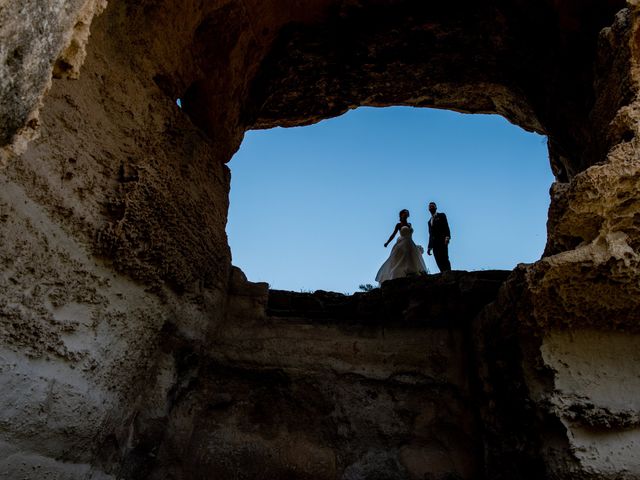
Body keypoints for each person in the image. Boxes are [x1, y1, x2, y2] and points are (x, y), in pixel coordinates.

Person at [375, 209, 428, 284]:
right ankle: (401, 273)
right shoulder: (399, 225)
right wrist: (387, 242)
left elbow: (410, 235)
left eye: (407, 213)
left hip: (410, 242)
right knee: (402, 258)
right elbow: (393, 234)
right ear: (401, 215)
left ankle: (411, 272)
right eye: (404, 213)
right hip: (402, 243)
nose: (406, 214)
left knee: (411, 257)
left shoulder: (409, 224)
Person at [427, 201, 452, 272]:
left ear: (436, 207)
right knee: (437, 259)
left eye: (432, 206)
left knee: (444, 257)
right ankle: (443, 273)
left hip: (442, 240)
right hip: (434, 244)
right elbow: (430, 234)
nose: (431, 207)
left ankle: (449, 272)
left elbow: (446, 226)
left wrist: (447, 237)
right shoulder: (429, 222)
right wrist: (429, 247)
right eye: (430, 206)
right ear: (428, 209)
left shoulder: (441, 215)